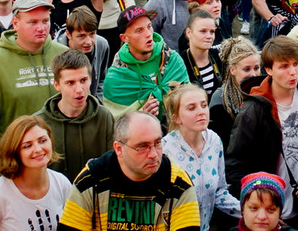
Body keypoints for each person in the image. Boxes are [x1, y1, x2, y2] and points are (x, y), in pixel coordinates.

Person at [226, 37, 298, 231]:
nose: (292, 72)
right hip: (267, 216)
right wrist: (261, 208)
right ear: (269, 70)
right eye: (283, 66)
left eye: (296, 64)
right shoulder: (253, 110)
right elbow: (235, 164)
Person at [57, 111, 201, 231]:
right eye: (142, 147)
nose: (154, 154)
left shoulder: (178, 183)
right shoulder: (92, 178)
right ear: (119, 149)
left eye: (157, 143)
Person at [0, 0, 68, 141]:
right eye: (32, 22)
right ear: (15, 23)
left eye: (45, 21)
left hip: (64, 154)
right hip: (15, 158)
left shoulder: (65, 56)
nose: (41, 28)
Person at [0, 115, 73, 231]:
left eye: (43, 141)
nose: (38, 149)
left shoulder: (61, 183)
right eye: (27, 146)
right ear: (14, 152)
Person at [162, 84, 239, 229]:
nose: (201, 112)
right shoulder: (165, 150)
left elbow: (219, 192)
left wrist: (251, 212)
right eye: (192, 108)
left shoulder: (214, 141)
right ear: (177, 118)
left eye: (204, 105)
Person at [35, 50, 114, 182]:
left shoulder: (104, 117)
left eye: (83, 80)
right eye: (70, 83)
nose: (79, 89)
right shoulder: (39, 122)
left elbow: (113, 163)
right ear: (57, 85)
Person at [102, 6, 190, 121]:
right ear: (124, 38)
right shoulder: (117, 76)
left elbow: (189, 102)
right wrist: (141, 116)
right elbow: (113, 123)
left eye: (149, 27)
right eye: (139, 30)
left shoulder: (173, 61)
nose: (148, 34)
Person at [209, 36, 261, 147]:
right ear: (233, 70)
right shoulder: (221, 100)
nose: (253, 74)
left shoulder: (265, 91)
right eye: (247, 69)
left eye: (256, 68)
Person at [180, 8, 223, 97]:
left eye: (212, 32)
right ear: (189, 32)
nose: (209, 36)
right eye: (203, 31)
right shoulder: (180, 62)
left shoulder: (219, 56)